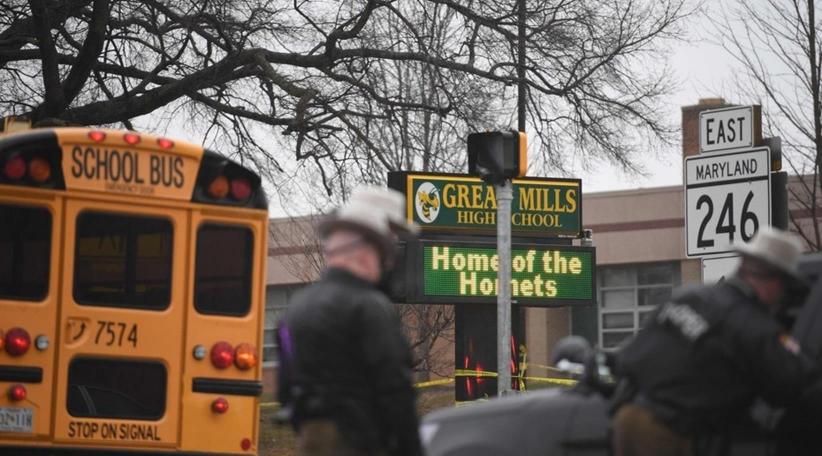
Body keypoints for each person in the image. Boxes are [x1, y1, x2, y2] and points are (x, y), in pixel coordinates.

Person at [611, 226, 821, 456]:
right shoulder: (753, 327)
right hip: (669, 435)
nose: (782, 296)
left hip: (627, 417)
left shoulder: (690, 296)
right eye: (786, 287)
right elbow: (791, 385)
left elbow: (627, 357)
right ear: (774, 281)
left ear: (743, 265)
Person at [276, 185, 423, 456]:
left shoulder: (294, 310)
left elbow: (286, 393)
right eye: (388, 248)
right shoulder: (370, 308)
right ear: (371, 249)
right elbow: (396, 395)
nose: (390, 262)